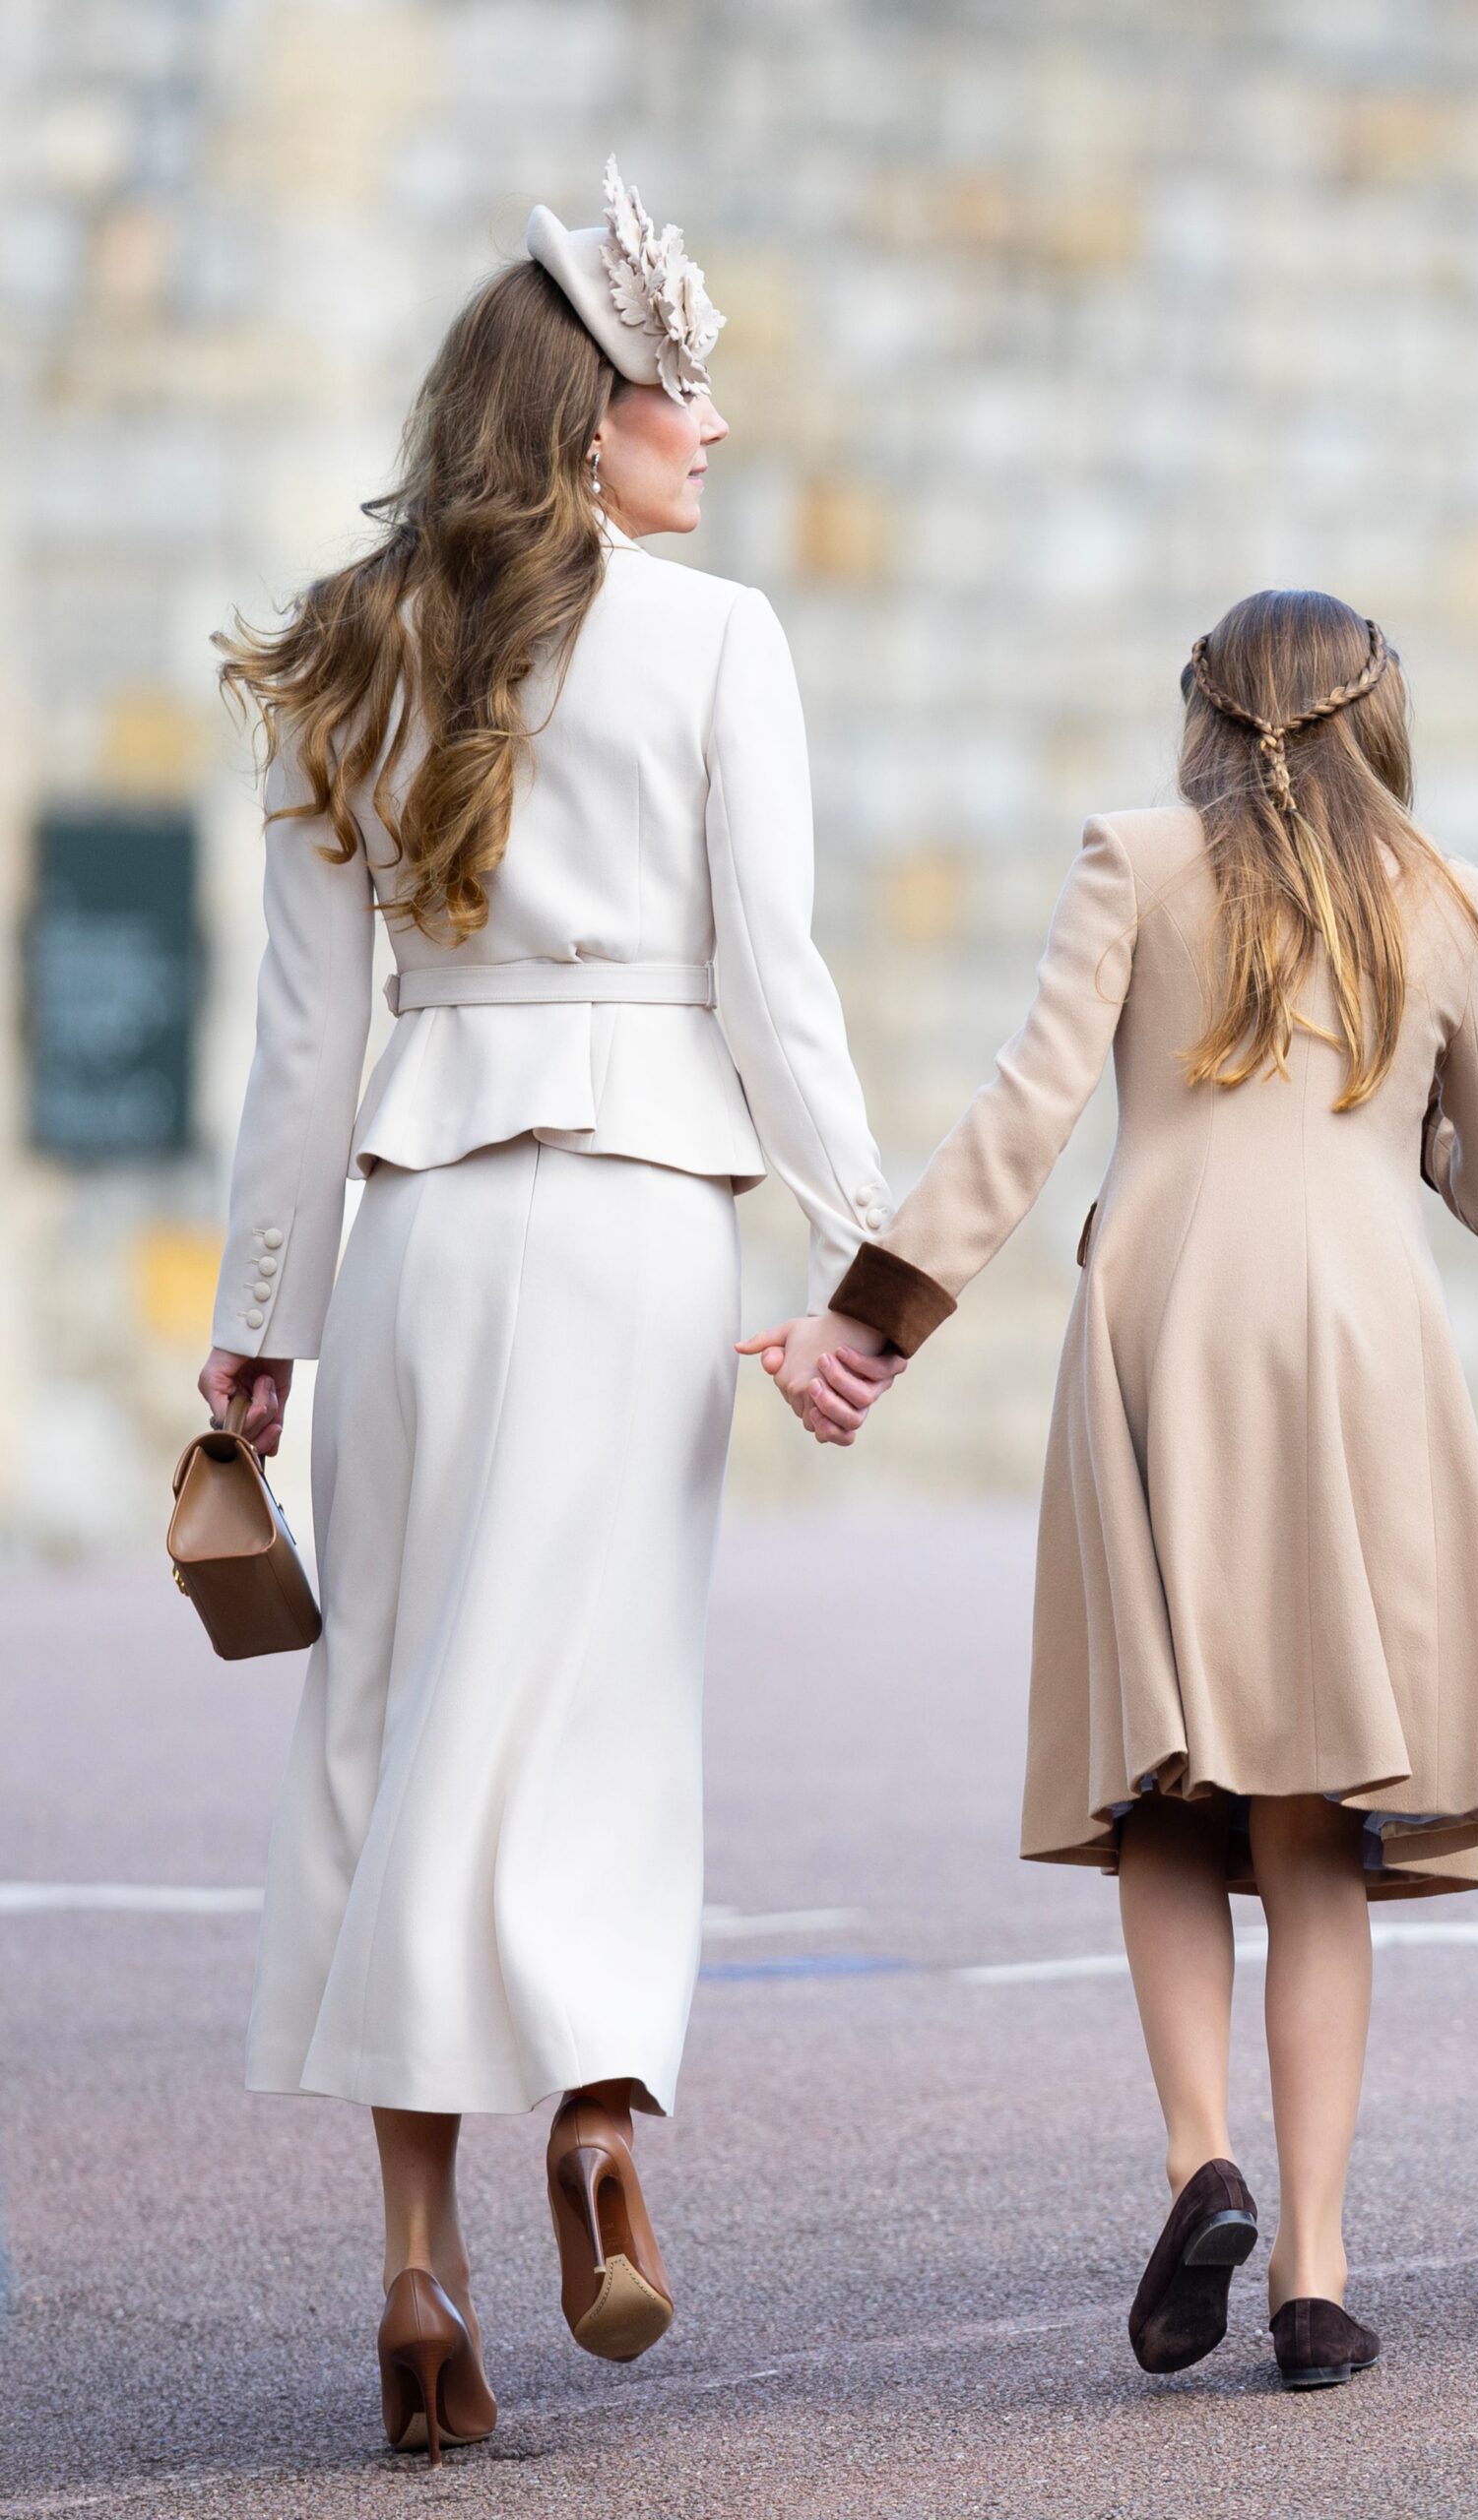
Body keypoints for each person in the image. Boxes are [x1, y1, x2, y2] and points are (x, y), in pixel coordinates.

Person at [197, 158, 898, 2463]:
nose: (714, 422)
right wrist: (872, 1249)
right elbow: (776, 990)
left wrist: (263, 1319)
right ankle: (596, 2111)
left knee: (393, 1716)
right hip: (638, 1225)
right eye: (680, 384)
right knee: (598, 1693)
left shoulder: (350, 644)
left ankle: (418, 2269)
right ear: (588, 413)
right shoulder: (720, 642)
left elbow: (304, 1043)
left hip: (421, 1228)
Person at [759, 591, 1478, 2390]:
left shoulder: (1132, 861)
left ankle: (1204, 2159)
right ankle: (1318, 2279)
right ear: (1379, 719)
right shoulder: (1448, 898)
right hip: (1359, 1350)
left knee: (1171, 1792)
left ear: (1204, 715)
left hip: (1162, 1336)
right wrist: (1422, 1106)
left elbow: (1024, 1117)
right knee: (1315, 1806)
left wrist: (870, 1322)